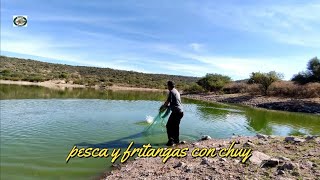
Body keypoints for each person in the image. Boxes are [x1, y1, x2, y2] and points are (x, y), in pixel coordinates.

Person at [161, 81, 184, 146]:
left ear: (169, 86)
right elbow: (175, 103)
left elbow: (167, 102)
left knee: (168, 126)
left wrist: (162, 107)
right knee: (176, 127)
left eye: (167, 85)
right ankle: (176, 141)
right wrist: (168, 106)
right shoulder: (176, 91)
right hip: (181, 112)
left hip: (176, 112)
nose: (167, 87)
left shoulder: (171, 92)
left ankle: (171, 141)